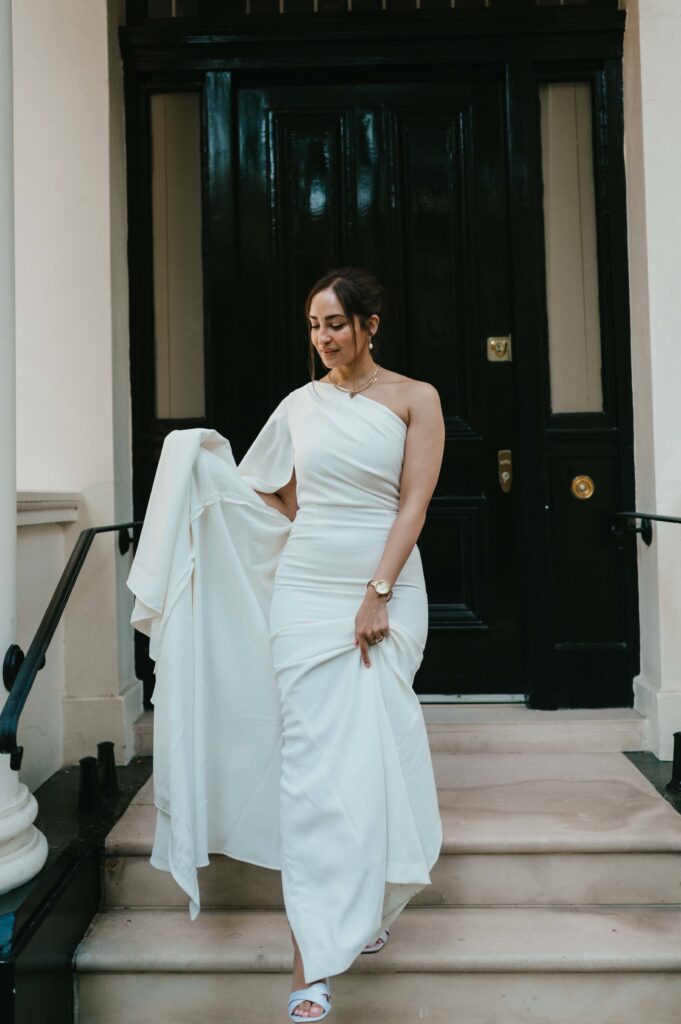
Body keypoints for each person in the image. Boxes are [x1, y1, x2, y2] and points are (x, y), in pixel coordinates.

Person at [235, 266, 445, 1021]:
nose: (323, 339)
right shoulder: (298, 405)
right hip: (304, 595)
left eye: (335, 324)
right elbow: (261, 484)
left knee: (372, 752)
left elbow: (414, 502)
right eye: (314, 327)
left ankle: (372, 893)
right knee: (308, 773)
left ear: (370, 324)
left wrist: (375, 592)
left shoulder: (415, 398)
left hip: (384, 589)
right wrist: (306, 521)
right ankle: (309, 969)